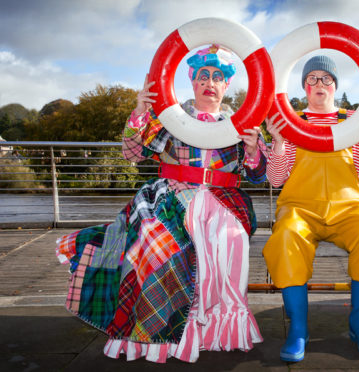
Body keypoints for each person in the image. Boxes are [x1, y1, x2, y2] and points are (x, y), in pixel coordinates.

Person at [56, 45, 267, 363]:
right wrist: (140, 112)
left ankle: (219, 331)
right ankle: (157, 335)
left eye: (218, 77)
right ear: (193, 82)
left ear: (226, 85)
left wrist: (253, 151)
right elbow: (131, 153)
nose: (210, 82)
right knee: (156, 244)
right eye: (203, 76)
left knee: (231, 242)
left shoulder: (244, 124)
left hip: (225, 201)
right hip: (173, 196)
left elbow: (257, 175)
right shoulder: (172, 119)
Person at [263, 55, 359, 362]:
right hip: (299, 208)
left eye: (326, 78)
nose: (319, 84)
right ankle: (298, 328)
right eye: (312, 78)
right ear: (304, 86)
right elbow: (275, 178)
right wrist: (280, 143)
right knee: (285, 238)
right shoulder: (291, 120)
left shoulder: (355, 120)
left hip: (349, 208)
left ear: (335, 85)